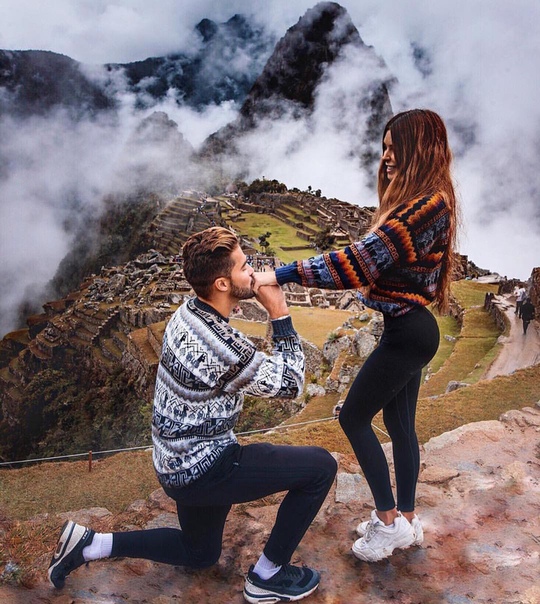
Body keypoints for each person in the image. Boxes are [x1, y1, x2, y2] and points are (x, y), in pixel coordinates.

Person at [48, 226, 337, 603]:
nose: (253, 271)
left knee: (199, 553)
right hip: (207, 466)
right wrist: (279, 313)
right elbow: (291, 383)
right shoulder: (219, 345)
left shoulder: (187, 313)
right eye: (244, 266)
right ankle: (268, 575)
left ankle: (89, 544)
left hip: (176, 463)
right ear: (222, 283)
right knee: (321, 468)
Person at [254, 109, 459, 563]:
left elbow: (356, 264)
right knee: (400, 427)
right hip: (412, 329)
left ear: (419, 149)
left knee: (353, 418)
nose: (387, 157)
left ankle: (388, 522)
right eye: (384, 148)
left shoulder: (422, 209)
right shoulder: (433, 201)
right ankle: (406, 519)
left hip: (407, 334)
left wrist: (281, 274)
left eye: (395, 148)